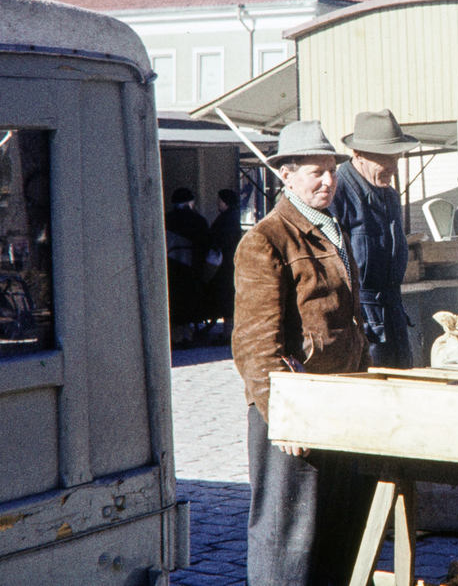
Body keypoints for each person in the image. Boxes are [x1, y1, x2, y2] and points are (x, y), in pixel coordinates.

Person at [232, 121, 371, 586]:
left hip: (337, 399)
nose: (328, 181)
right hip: (293, 410)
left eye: (332, 170)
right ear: (286, 175)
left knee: (336, 526)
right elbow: (254, 344)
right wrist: (284, 416)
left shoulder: (330, 229)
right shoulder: (266, 239)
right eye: (316, 172)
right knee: (287, 537)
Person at [330, 109, 420, 369]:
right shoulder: (337, 192)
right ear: (358, 154)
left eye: (397, 158)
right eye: (385, 158)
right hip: (360, 325)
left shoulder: (389, 194)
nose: (394, 167)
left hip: (393, 317)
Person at [165, 187, 210, 344]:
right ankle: (188, 335)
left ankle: (174, 336)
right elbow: (207, 244)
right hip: (192, 267)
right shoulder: (198, 220)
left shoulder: (166, 219)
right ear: (189, 202)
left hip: (171, 267)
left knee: (174, 301)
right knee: (190, 301)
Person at [207, 188, 243, 343]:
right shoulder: (231, 217)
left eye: (220, 200)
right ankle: (227, 332)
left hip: (226, 264)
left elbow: (222, 240)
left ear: (225, 202)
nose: (218, 203)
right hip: (228, 263)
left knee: (226, 298)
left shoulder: (227, 219)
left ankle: (228, 333)